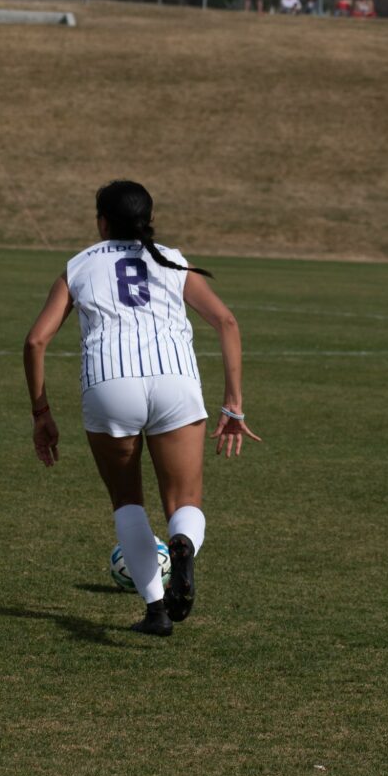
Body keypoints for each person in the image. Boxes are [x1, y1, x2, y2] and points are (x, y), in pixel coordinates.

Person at [23, 181, 261, 637]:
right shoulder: (172, 258)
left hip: (110, 384)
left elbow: (36, 340)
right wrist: (234, 405)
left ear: (102, 222)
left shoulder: (79, 265)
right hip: (175, 381)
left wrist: (41, 414)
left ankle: (157, 612)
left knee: (127, 501)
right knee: (184, 502)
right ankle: (182, 546)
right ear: (148, 219)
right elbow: (226, 321)